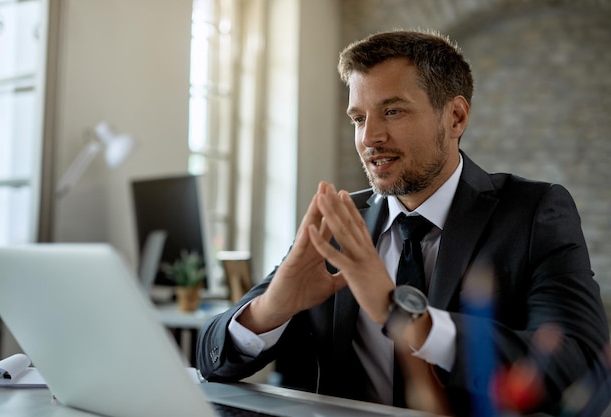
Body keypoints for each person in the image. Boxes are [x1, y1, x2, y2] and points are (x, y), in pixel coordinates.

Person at [196, 29, 610, 416]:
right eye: (358, 118)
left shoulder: (534, 213)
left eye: (391, 111)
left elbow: (581, 367)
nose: (369, 137)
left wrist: (410, 319)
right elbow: (210, 359)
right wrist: (272, 308)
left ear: (456, 117)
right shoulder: (341, 221)